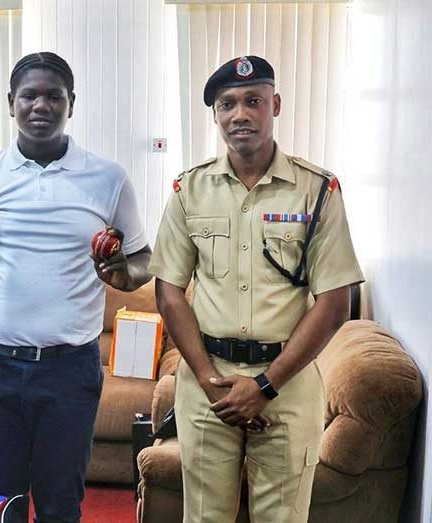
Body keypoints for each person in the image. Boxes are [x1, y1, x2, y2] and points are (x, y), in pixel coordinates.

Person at [0, 52, 152, 523]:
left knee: (59, 503)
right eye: (30, 95)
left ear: (71, 104)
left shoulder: (107, 178)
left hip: (69, 372)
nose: (41, 105)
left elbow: (143, 259)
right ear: (11, 103)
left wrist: (123, 275)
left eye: (54, 96)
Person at [149, 55, 364, 522]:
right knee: (204, 517)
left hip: (288, 384)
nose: (239, 114)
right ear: (216, 114)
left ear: (276, 105)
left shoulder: (317, 191)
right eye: (227, 104)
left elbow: (334, 303)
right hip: (208, 384)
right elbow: (168, 292)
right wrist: (209, 381)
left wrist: (265, 386)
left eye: (253, 101)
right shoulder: (190, 190)